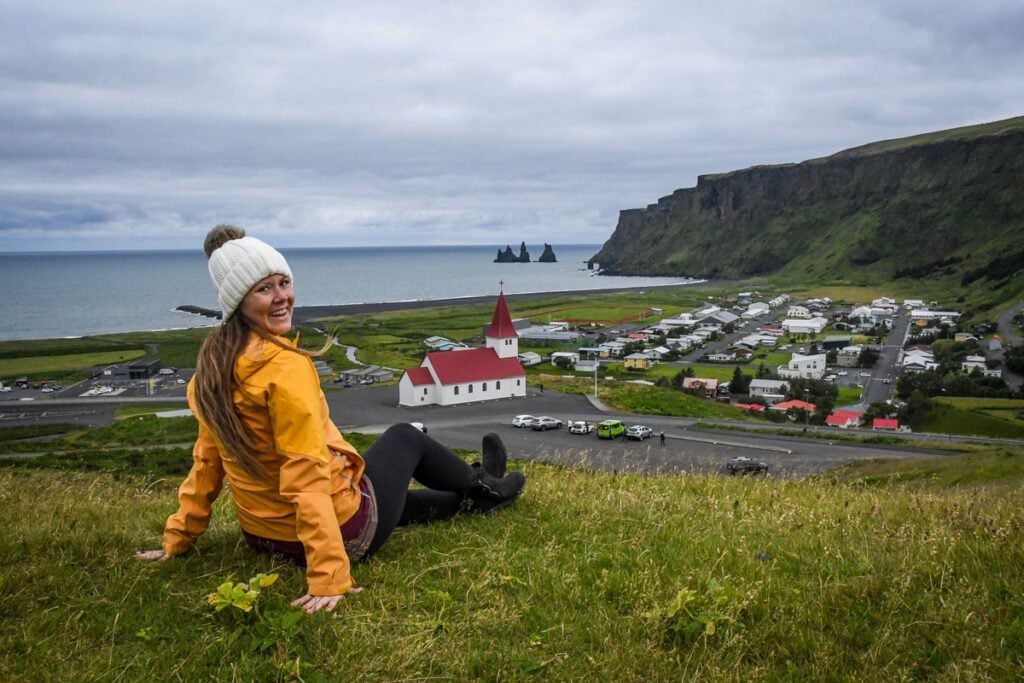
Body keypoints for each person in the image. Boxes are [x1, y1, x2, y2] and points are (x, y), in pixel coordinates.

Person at [135, 225, 526, 613]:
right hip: (342, 533)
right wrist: (328, 576)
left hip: (265, 536)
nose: (282, 297)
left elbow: (206, 464)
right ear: (238, 301)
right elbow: (304, 472)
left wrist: (178, 539)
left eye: (283, 282)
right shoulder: (286, 368)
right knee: (406, 436)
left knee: (400, 501)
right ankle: (491, 489)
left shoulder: (210, 372)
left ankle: (477, 494)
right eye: (263, 289)